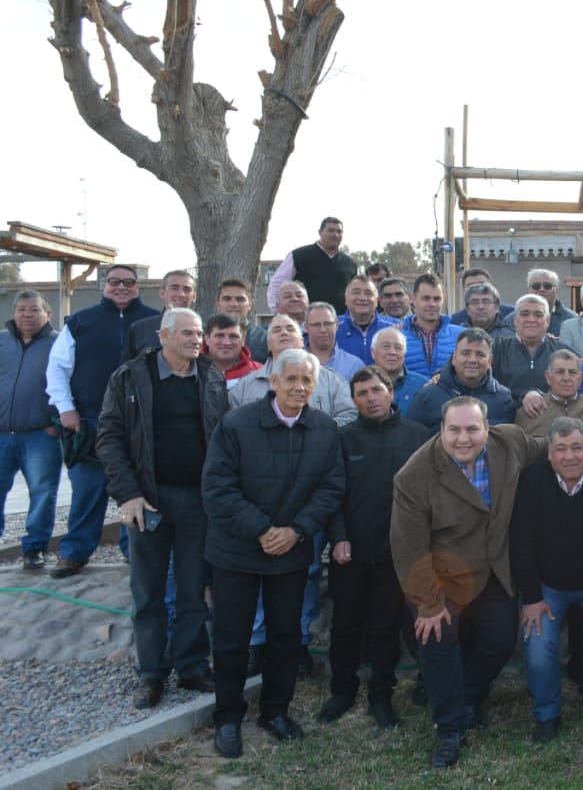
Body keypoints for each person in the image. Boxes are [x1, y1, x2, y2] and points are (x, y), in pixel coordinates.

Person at [390, 397, 583, 769]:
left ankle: (467, 695)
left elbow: (553, 446)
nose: (463, 438)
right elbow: (408, 546)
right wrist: (429, 605)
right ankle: (450, 727)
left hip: (493, 569)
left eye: (472, 429)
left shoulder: (509, 441)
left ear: (487, 428)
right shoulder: (414, 475)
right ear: (441, 429)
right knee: (436, 640)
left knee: (499, 641)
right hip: (441, 575)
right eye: (454, 430)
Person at [202, 348, 344, 758]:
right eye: (292, 379)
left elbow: (331, 488)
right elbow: (217, 489)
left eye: (307, 380)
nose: (299, 387)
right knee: (232, 638)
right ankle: (228, 717)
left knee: (285, 636)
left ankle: (275, 711)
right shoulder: (236, 424)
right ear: (274, 381)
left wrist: (296, 531)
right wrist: (263, 530)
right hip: (237, 551)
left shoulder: (324, 429)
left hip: (291, 551)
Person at [98, 308, 227, 709]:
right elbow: (109, 438)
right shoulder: (130, 377)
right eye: (187, 333)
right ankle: (151, 673)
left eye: (199, 333)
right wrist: (128, 494)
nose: (196, 340)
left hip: (197, 502)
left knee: (192, 588)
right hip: (147, 501)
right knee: (149, 591)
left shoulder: (211, 378)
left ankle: (191, 665)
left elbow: (221, 439)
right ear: (164, 336)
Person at [317, 366, 429, 731]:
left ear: (391, 393)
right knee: (345, 624)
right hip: (349, 551)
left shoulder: (417, 436)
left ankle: (381, 695)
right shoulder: (342, 439)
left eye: (377, 390)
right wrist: (338, 537)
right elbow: (332, 493)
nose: (371, 398)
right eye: (362, 393)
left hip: (396, 554)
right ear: (354, 401)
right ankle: (342, 691)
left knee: (384, 626)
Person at [511, 416, 583, 744]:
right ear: (549, 453)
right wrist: (532, 599)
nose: (569, 456)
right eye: (561, 449)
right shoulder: (532, 481)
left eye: (577, 447)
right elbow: (520, 544)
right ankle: (546, 714)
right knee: (537, 643)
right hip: (547, 587)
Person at [45, 264, 161, 577]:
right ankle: (75, 552)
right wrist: (66, 408)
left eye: (128, 282)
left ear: (138, 287)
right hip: (90, 421)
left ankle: (133, 551)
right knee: (88, 490)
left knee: (137, 490)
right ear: (103, 285)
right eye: (114, 281)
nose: (121, 287)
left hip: (140, 423)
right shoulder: (80, 322)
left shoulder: (155, 321)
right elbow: (57, 368)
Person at [1, 291, 62, 571]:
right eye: (22, 309)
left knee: (42, 492)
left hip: (40, 435)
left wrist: (56, 423)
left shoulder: (59, 343)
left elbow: (71, 383)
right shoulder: (2, 341)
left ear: (47, 314)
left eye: (34, 309)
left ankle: (35, 548)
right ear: (14, 313)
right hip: (2, 434)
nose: (27, 314)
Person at [229, 314, 356, 425]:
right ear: (268, 345)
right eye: (277, 330)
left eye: (290, 329)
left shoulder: (332, 381)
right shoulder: (244, 387)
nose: (284, 333)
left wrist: (317, 434)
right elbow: (234, 425)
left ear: (302, 341)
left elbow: (349, 416)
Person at [407, 328, 517, 434]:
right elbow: (415, 439)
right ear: (454, 358)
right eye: (465, 353)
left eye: (480, 354)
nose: (472, 360)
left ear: (489, 361)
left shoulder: (503, 398)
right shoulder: (426, 397)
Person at [267, 217, 357, 315]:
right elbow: (277, 283)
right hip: (305, 320)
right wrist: (277, 311)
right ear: (320, 232)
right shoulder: (298, 256)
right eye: (330, 230)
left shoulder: (350, 264)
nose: (335, 234)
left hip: (340, 320)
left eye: (339, 231)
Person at [492, 294, 572, 402]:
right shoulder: (498, 348)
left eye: (538, 315)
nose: (531, 319)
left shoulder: (562, 352)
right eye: (524, 314)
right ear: (515, 320)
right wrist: (522, 399)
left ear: (547, 321)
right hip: (509, 411)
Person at [123, 270, 197, 361]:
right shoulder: (140, 329)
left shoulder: (205, 331)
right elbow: (126, 368)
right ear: (162, 293)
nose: (181, 294)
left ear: (194, 296)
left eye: (187, 289)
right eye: (174, 288)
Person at [401, 272, 464, 379]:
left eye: (437, 299)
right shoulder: (397, 336)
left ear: (443, 299)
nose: (432, 304)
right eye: (426, 298)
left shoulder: (461, 336)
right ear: (413, 299)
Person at [336, 276, 398, 364]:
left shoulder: (394, 327)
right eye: (356, 292)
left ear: (377, 300)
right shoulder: (332, 327)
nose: (362, 298)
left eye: (368, 293)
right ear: (346, 299)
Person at [370, 326, 428, 412]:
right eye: (386, 346)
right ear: (373, 352)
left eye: (398, 347)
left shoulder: (422, 385)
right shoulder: (360, 384)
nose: (392, 352)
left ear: (404, 353)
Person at [305, 302, 364, 381]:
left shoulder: (354, 365)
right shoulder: (293, 362)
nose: (323, 330)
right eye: (316, 325)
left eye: (328, 324)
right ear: (306, 327)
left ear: (337, 325)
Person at [204, 314, 262, 391]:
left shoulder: (259, 373)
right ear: (207, 339)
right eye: (219, 336)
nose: (226, 342)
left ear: (243, 340)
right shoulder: (192, 370)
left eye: (233, 336)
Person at [217, 278, 268, 363]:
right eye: (227, 299)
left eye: (240, 299)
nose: (233, 304)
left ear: (250, 305)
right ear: (218, 304)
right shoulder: (204, 338)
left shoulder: (264, 340)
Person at [516, 268, 575, 336]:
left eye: (547, 286)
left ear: (556, 290)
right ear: (528, 290)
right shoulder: (512, 319)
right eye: (536, 286)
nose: (542, 289)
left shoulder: (571, 319)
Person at [447, 267, 515, 324]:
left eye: (481, 284)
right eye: (471, 286)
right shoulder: (454, 321)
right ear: (463, 290)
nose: (476, 288)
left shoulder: (513, 315)